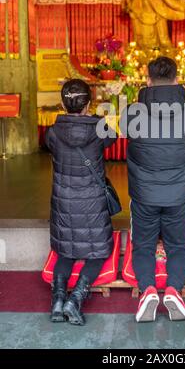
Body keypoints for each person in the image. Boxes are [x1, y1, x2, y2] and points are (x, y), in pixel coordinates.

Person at [120, 57, 185, 322]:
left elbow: (126, 135)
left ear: (147, 80)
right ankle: (174, 291)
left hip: (144, 194)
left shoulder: (132, 113)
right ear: (178, 80)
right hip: (179, 195)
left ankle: (148, 291)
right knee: (178, 245)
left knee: (142, 245)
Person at [45, 79, 116, 326]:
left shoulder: (52, 132)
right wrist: (94, 117)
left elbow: (51, 146)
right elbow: (112, 139)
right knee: (98, 252)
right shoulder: (99, 128)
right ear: (88, 103)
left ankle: (57, 301)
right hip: (92, 203)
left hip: (63, 201)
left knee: (65, 252)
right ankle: (75, 299)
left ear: (63, 104)